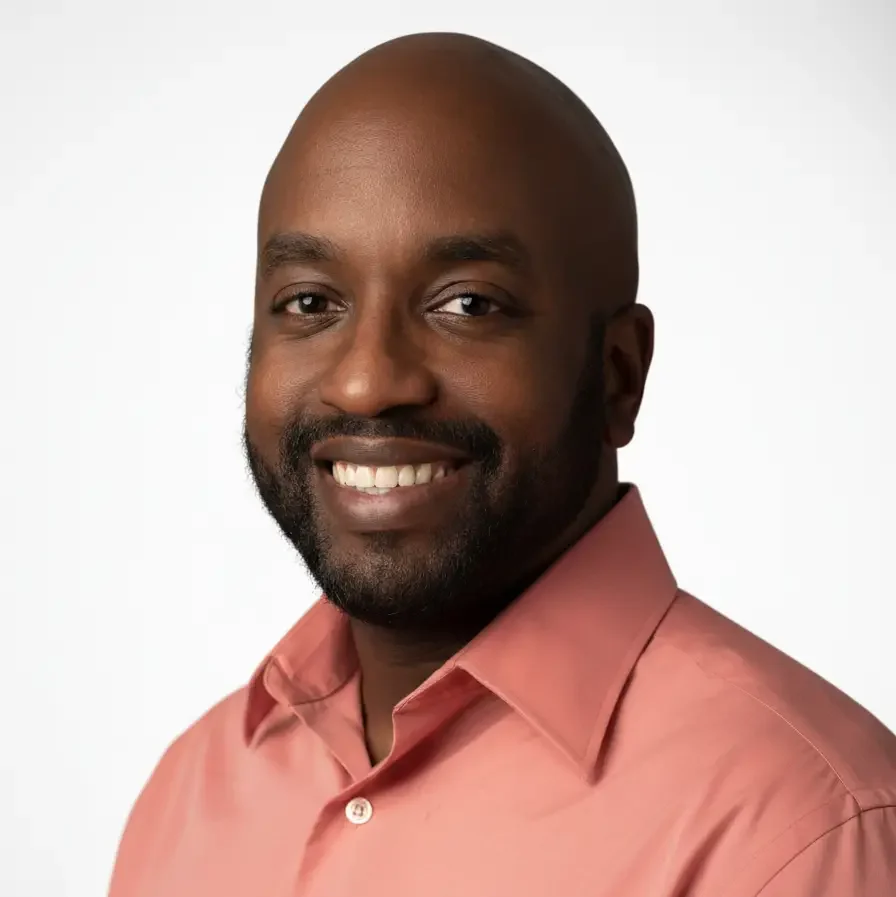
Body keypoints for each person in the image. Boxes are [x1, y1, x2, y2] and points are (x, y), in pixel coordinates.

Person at [108, 32, 896, 897]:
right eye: (310, 302)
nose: (368, 380)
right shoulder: (186, 798)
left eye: (468, 304)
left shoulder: (801, 828)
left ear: (617, 376)